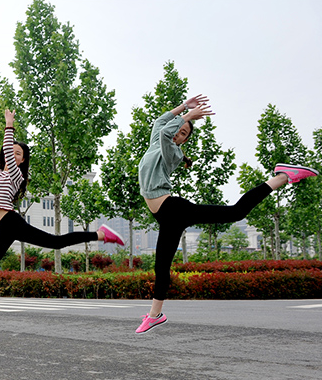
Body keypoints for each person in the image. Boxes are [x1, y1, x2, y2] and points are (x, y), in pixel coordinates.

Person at [136, 95, 319, 334]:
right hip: (164, 215)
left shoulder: (173, 152)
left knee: (236, 212)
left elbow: (164, 134)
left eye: (183, 134)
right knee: (162, 267)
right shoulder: (156, 141)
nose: (178, 134)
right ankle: (155, 315)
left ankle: (283, 177)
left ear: (183, 141)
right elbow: (161, 122)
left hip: (173, 210)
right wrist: (184, 107)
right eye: (178, 130)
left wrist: (188, 117)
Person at [0, 110, 125, 326]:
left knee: (56, 242)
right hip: (0, 228)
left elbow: (6, 147)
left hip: (11, 223)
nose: (11, 155)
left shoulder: (16, 175)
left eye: (17, 154)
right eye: (10, 152)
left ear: (22, 161)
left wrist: (9, 125)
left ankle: (100, 234)